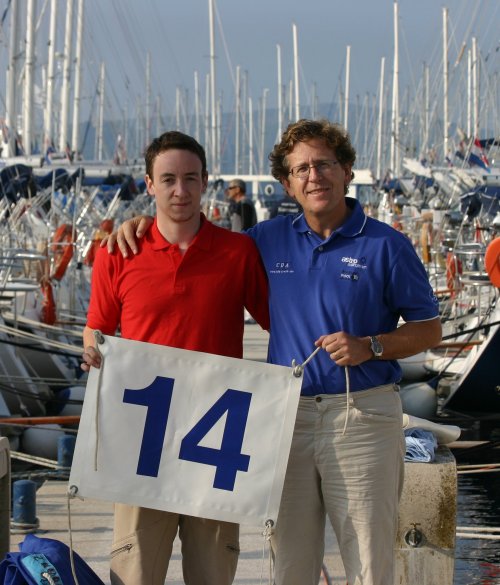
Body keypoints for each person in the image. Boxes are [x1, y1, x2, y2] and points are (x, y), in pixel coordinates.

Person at [104, 119, 442, 585]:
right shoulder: (264, 241)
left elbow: (429, 330)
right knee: (289, 566)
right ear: (287, 183)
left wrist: (372, 346)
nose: (314, 177)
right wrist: (144, 224)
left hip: (361, 416)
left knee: (369, 564)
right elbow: (198, 241)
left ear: (347, 170)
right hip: (288, 419)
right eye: (301, 169)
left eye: (324, 164)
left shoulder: (388, 244)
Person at [81, 130, 269, 585]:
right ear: (149, 184)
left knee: (212, 573)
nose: (179, 190)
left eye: (190, 178)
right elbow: (97, 329)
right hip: (142, 443)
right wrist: (92, 352)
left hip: (217, 441)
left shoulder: (238, 252)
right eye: (167, 179)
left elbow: (280, 326)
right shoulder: (117, 252)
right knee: (135, 573)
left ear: (205, 181)